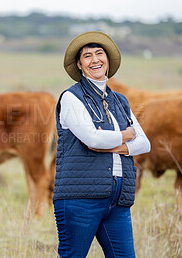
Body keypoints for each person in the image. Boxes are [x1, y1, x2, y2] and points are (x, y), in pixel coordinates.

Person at [53, 31, 151, 258]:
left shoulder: (120, 100)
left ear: (107, 60)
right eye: (87, 56)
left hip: (118, 198)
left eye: (100, 54)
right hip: (80, 198)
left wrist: (114, 143)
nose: (95, 60)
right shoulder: (71, 97)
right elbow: (92, 139)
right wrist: (126, 134)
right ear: (79, 64)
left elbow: (144, 143)